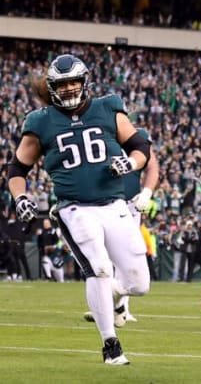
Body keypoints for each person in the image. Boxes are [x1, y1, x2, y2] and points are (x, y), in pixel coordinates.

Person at [8, 54, 152, 364]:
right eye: (63, 84)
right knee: (98, 268)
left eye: (74, 82)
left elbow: (141, 148)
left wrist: (130, 162)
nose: (70, 88)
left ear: (85, 82)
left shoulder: (107, 107)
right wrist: (21, 198)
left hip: (114, 205)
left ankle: (113, 300)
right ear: (53, 87)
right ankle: (110, 344)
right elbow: (17, 169)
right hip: (74, 209)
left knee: (139, 284)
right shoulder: (40, 121)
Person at [83, 126, 159, 324]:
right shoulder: (98, 133)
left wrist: (147, 192)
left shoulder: (139, 136)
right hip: (100, 203)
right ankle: (110, 306)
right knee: (101, 257)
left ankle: (118, 307)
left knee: (125, 258)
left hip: (129, 204)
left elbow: (152, 166)